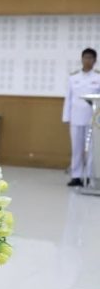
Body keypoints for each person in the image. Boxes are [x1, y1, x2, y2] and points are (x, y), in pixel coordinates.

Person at [64, 47, 100, 187]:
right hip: (76, 117)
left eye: (90, 58)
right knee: (76, 149)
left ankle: (90, 177)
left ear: (95, 60)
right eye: (85, 57)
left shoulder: (98, 77)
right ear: (81, 59)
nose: (87, 60)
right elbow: (69, 98)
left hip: (93, 119)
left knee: (91, 150)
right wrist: (66, 117)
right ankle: (76, 176)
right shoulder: (73, 77)